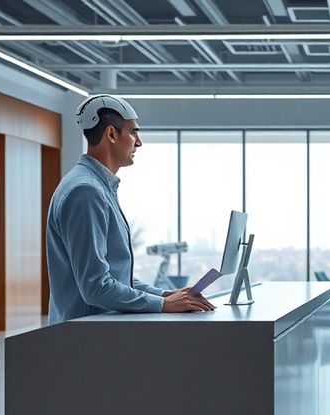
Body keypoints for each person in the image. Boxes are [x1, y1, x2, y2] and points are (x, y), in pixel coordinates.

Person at [46, 94, 213, 324]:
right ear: (111, 134)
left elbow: (116, 277)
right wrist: (163, 305)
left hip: (96, 329)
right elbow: (96, 287)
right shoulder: (86, 191)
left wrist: (165, 295)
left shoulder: (98, 186)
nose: (139, 142)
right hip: (85, 334)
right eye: (134, 132)